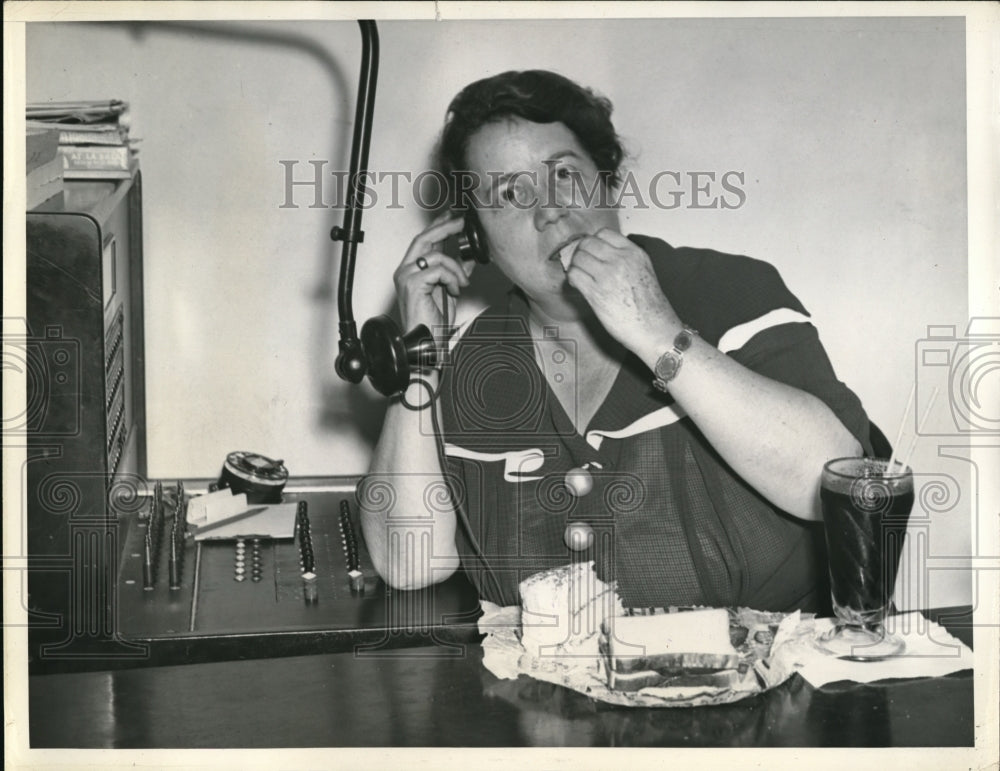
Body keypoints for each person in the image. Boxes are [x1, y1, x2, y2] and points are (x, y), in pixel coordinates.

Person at [359, 70, 871, 613]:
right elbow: (407, 563)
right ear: (475, 236)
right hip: (550, 689)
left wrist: (655, 332)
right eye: (509, 193)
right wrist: (421, 361)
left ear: (608, 180)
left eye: (564, 174)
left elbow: (833, 484)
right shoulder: (468, 359)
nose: (548, 209)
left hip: (760, 679)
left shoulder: (730, 291)